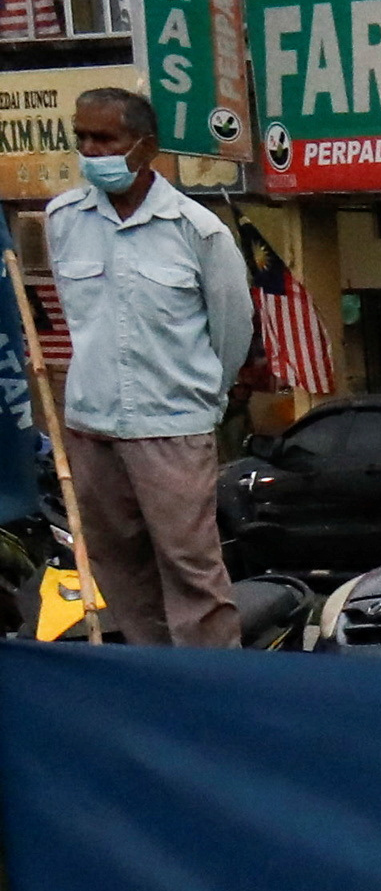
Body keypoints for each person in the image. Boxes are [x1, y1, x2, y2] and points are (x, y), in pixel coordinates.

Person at [44, 87, 250, 648]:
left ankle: (214, 688)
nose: (91, 150)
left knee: (190, 570)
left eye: (105, 138)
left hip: (173, 427)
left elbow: (232, 331)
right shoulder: (63, 220)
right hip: (92, 427)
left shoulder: (197, 229)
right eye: (82, 137)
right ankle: (155, 681)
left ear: (146, 146)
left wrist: (206, 400)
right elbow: (75, 316)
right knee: (119, 568)